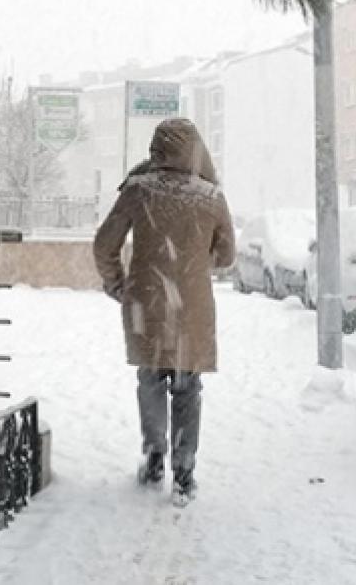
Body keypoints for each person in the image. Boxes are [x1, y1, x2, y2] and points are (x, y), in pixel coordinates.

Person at [93, 118, 235, 506]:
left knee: (151, 380)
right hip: (192, 309)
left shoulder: (138, 190)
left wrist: (118, 285)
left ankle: (155, 455)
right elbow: (226, 256)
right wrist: (194, 259)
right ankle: (184, 471)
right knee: (187, 388)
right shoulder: (210, 197)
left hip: (148, 304)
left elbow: (104, 245)